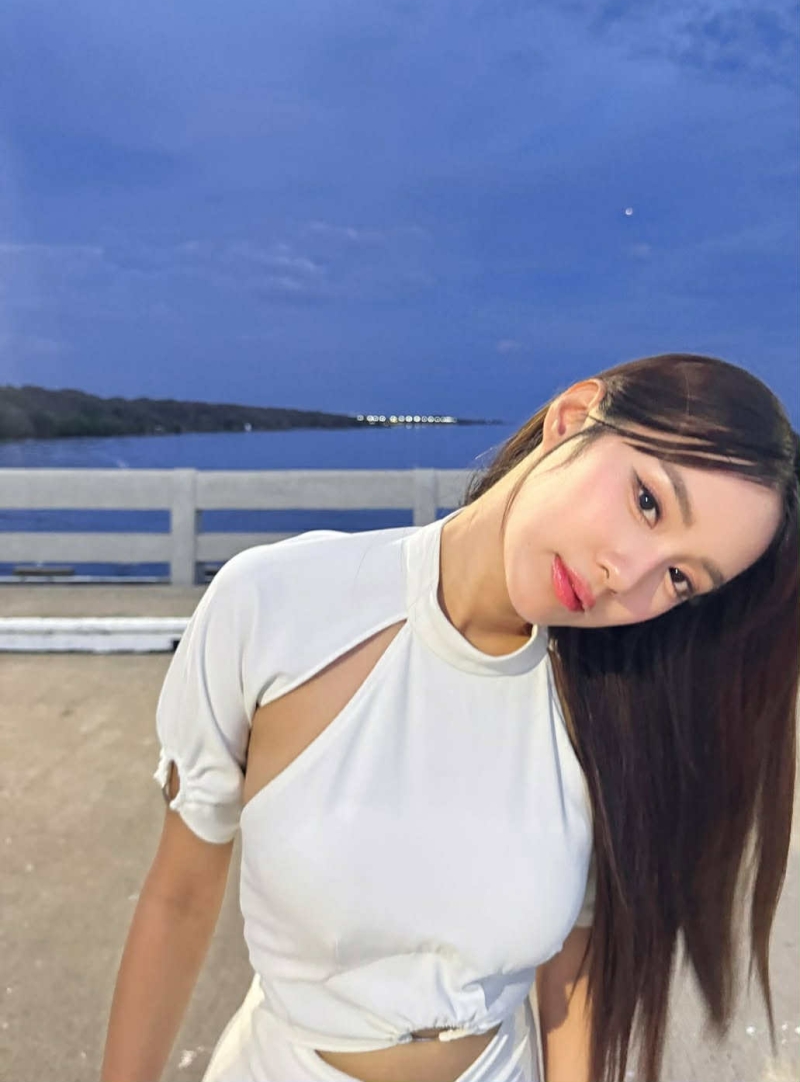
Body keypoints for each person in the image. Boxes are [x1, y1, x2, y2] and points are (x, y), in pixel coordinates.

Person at [101, 353, 799, 1082]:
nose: (625, 574)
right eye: (648, 502)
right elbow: (179, 898)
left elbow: (575, 977)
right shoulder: (277, 604)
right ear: (571, 421)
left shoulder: (611, 710)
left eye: (680, 577)